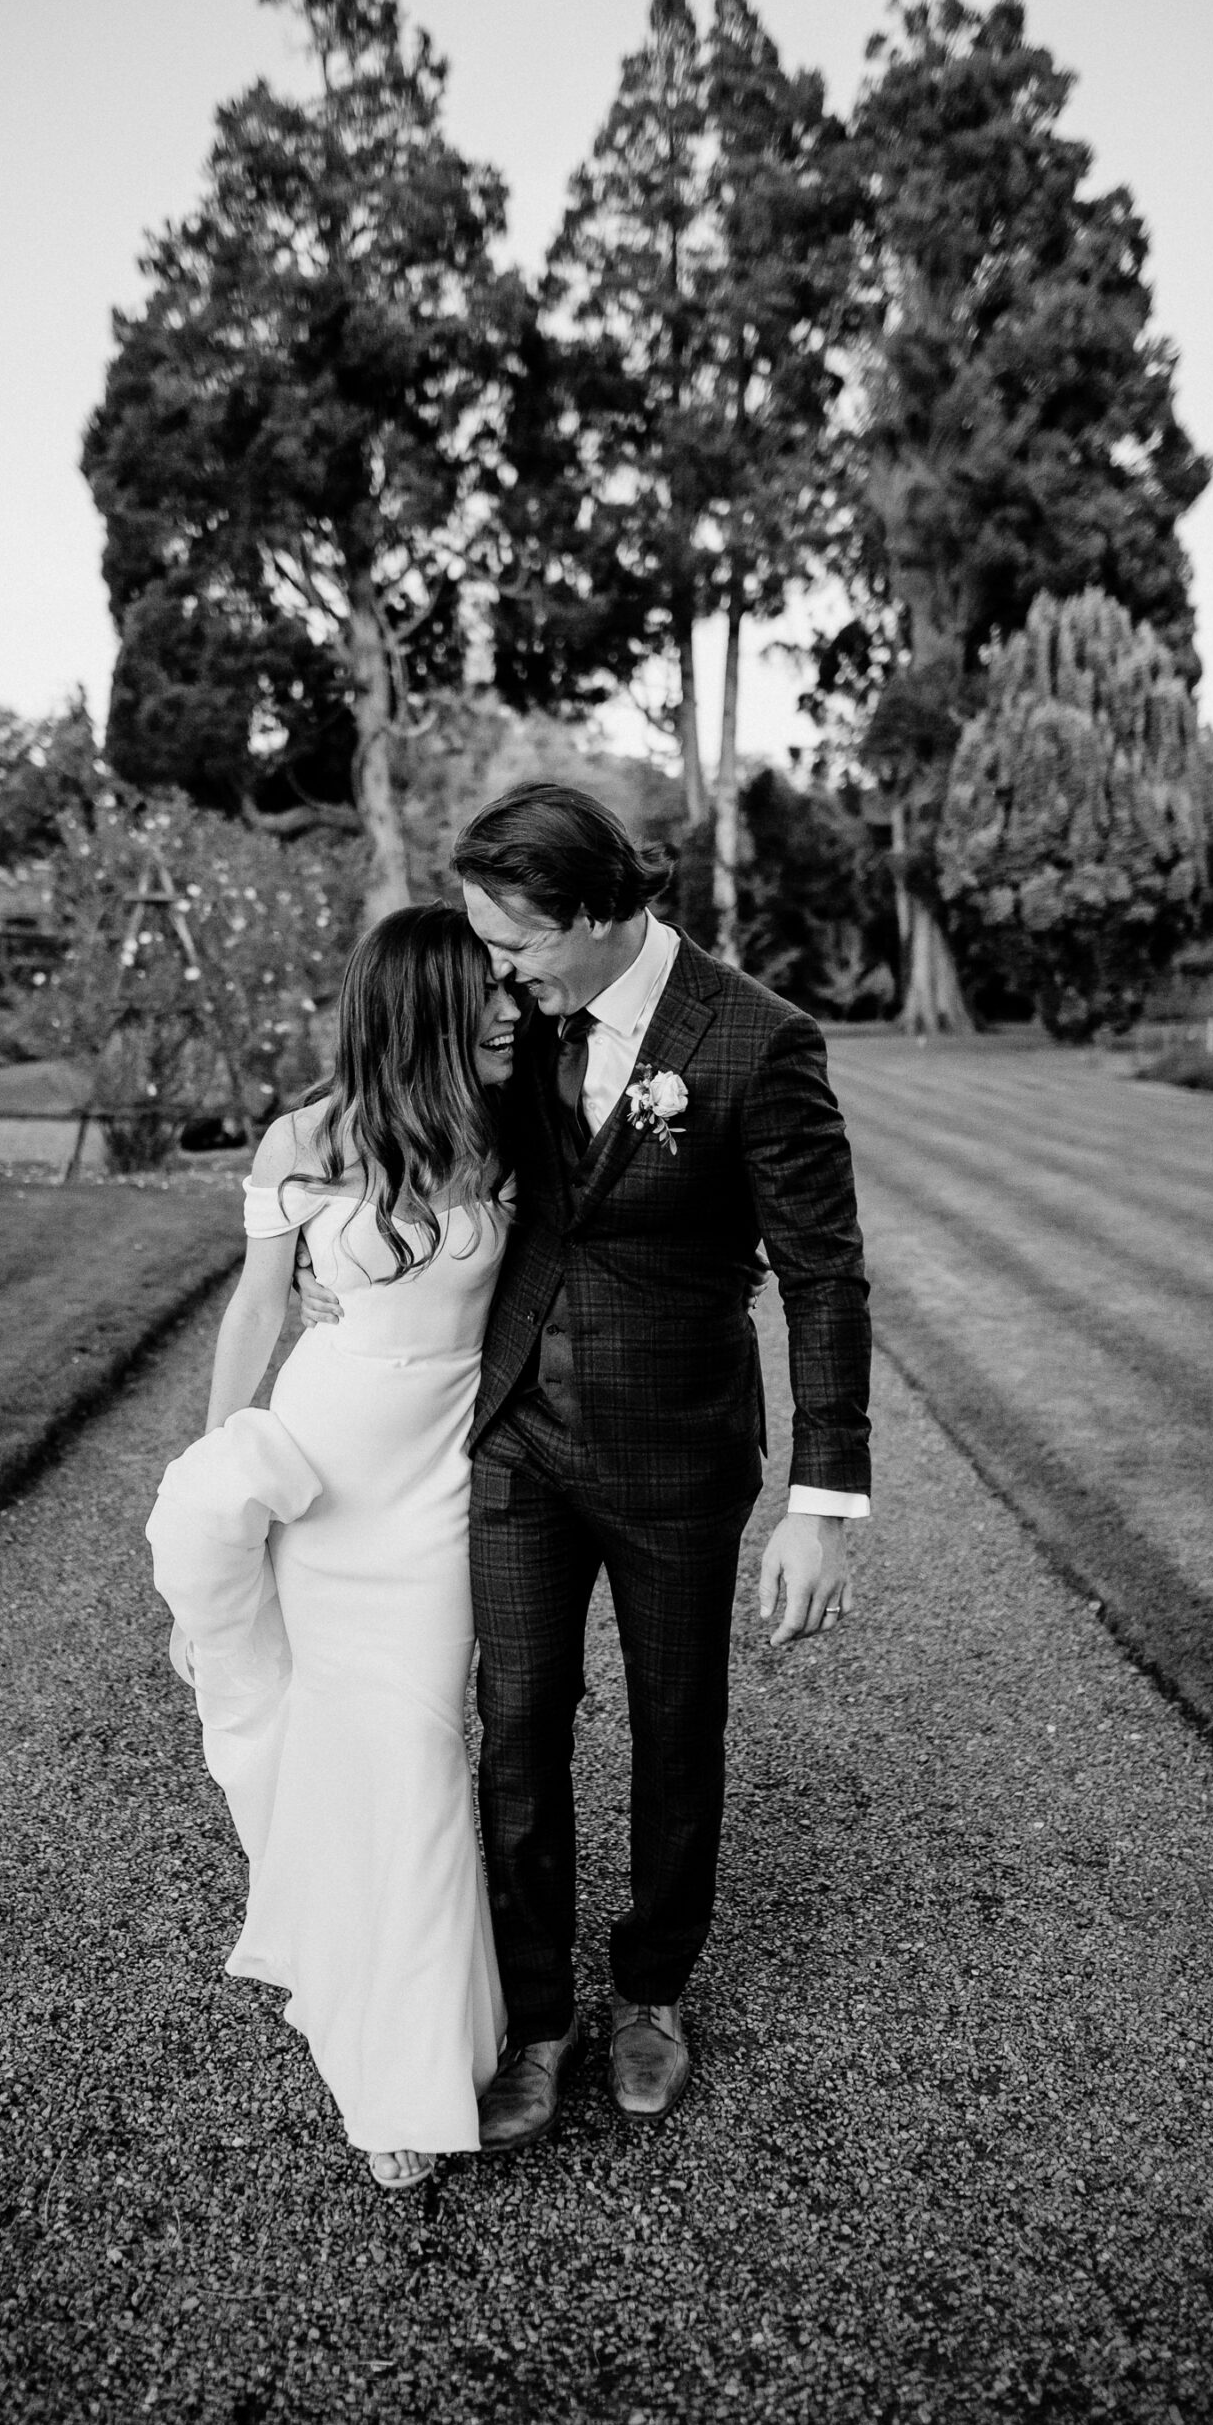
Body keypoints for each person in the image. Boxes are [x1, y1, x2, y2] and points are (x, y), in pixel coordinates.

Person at [303, 783, 871, 2154]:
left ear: (605, 912)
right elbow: (404, 1110)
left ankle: (654, 1992)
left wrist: (824, 1501)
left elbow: (824, 1275)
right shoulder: (524, 1022)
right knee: (518, 1730)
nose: (497, 975)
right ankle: (538, 2011)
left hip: (679, 1450)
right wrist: (330, 1253)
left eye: (517, 945)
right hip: (515, 1444)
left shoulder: (756, 1042)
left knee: (679, 1730)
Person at [148, 905, 520, 2193]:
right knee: (342, 1755)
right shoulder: (302, 1138)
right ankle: (390, 2079)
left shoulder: (513, 1124)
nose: (514, 1007)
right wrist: (217, 1480)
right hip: (319, 1472)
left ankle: (418, 2053)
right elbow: (259, 1309)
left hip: (436, 1489)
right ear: (427, 1007)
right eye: (489, 993)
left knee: (416, 1753)